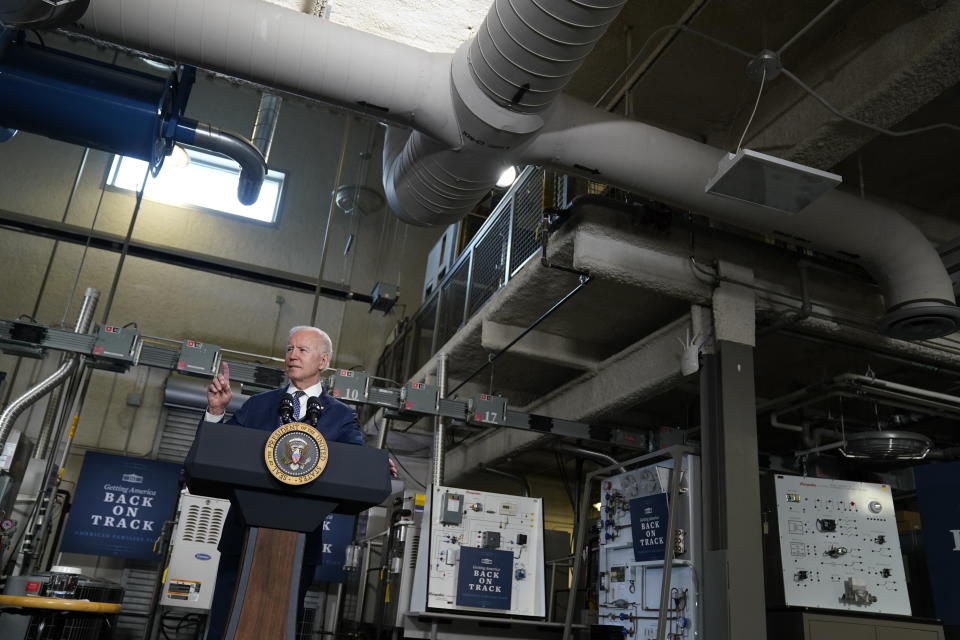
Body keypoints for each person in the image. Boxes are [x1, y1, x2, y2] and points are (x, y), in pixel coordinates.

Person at [201, 325, 396, 639]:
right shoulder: (257, 405)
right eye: (289, 349)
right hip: (242, 538)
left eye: (302, 350)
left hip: (300, 546)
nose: (292, 355)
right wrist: (216, 411)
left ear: (323, 361)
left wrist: (375, 464)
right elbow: (219, 448)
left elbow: (355, 457)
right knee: (225, 624)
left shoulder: (340, 415)